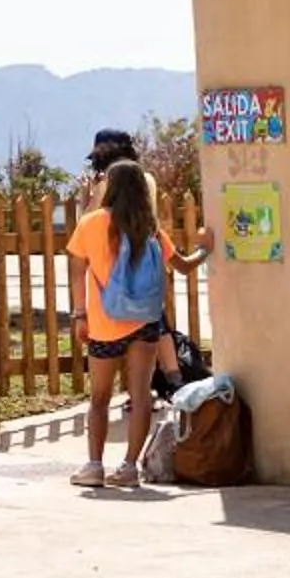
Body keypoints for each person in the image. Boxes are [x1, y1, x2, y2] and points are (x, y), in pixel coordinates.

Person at [66, 160, 212, 489]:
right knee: (141, 396)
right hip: (145, 323)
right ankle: (130, 467)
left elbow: (76, 271)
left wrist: (79, 315)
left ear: (111, 188)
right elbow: (185, 267)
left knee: (99, 399)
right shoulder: (151, 230)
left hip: (104, 325)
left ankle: (93, 467)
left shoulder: (91, 224)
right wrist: (204, 250)